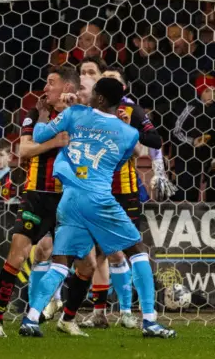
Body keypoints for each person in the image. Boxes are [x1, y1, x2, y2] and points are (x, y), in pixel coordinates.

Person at [18, 78, 176, 339]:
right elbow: (120, 161)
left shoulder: (74, 113)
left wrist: (45, 115)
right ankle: (149, 321)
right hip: (99, 198)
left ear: (100, 98)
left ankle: (31, 319)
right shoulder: (128, 133)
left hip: (69, 198)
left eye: (92, 93)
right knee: (136, 251)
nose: (87, 95)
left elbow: (39, 136)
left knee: (61, 261)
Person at [0, 66, 78, 338]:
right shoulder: (35, 113)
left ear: (67, 88)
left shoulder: (79, 115)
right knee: (18, 256)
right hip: (37, 195)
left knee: (82, 262)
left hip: (68, 198)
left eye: (51, 83)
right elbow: (23, 149)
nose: (45, 87)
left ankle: (51, 317)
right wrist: (55, 142)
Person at [81, 67, 173, 330]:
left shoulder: (132, 112)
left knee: (129, 250)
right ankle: (100, 313)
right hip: (97, 190)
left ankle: (134, 313)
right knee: (98, 253)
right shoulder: (88, 115)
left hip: (125, 191)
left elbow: (155, 139)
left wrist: (128, 130)